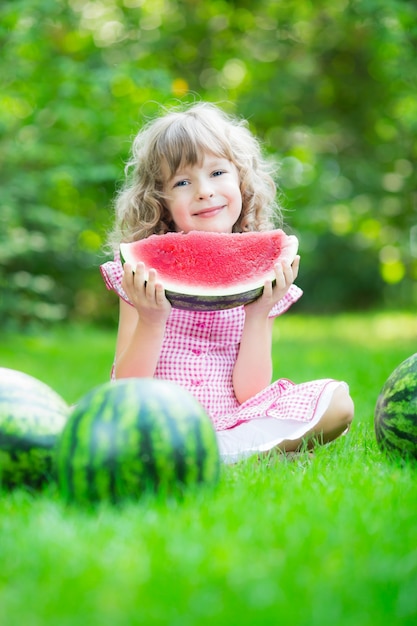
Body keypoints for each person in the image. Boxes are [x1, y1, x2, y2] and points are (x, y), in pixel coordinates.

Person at [100, 101, 354, 464]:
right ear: (160, 201)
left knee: (337, 404)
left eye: (217, 173)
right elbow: (126, 388)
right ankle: (242, 456)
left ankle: (221, 453)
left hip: (232, 422)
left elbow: (251, 393)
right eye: (183, 182)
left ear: (242, 181)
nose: (204, 190)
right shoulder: (139, 276)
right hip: (157, 423)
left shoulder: (263, 273)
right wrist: (152, 320)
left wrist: (259, 312)